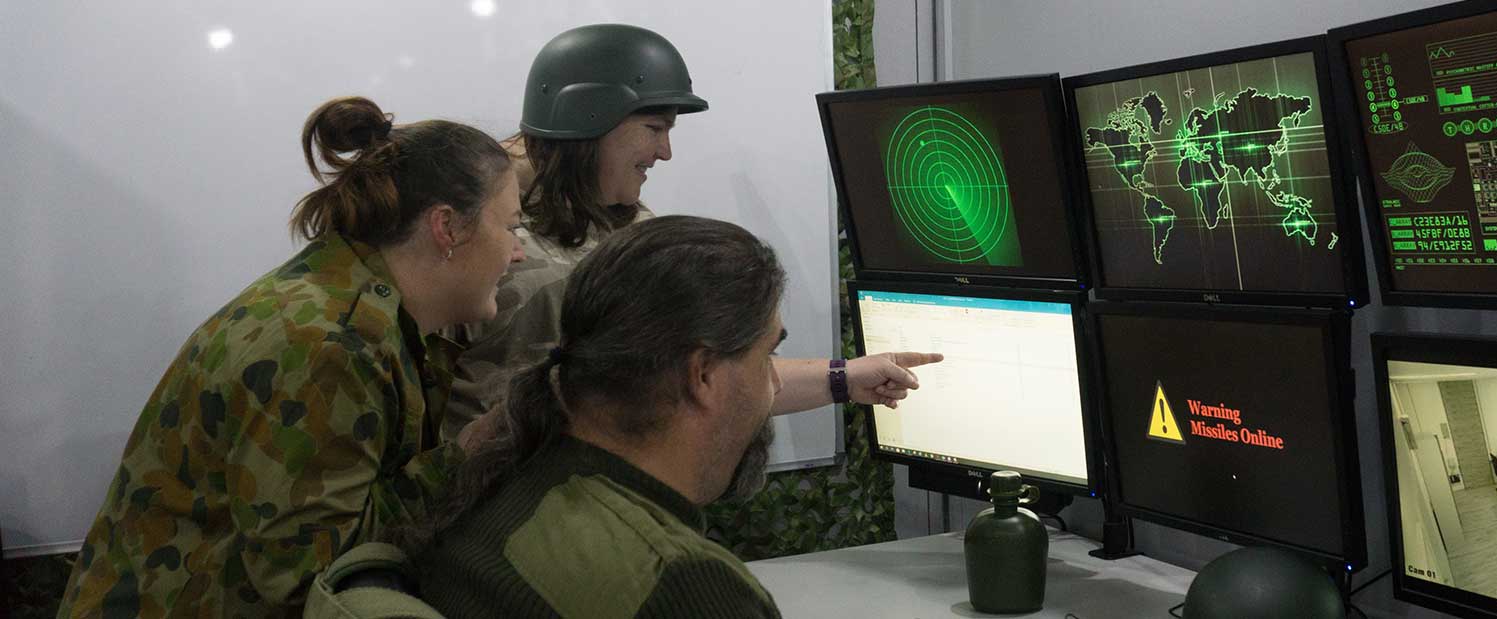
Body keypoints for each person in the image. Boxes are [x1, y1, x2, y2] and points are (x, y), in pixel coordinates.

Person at [58, 97, 525, 617]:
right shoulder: (333, 346)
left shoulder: (345, 304)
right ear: (449, 228)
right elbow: (312, 580)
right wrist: (464, 456)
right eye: (510, 227)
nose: (518, 252)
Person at [443, 24, 937, 440]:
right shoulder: (473, 236)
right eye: (655, 128)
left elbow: (708, 377)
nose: (665, 152)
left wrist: (845, 378)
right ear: (591, 120)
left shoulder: (630, 230)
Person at [412, 215, 793, 618]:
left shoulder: (496, 484)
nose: (776, 384)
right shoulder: (681, 583)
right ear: (703, 374)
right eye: (768, 355)